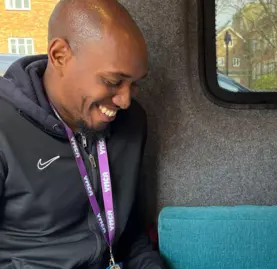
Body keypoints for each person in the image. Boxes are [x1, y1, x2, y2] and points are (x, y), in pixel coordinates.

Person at [0, 0, 166, 268]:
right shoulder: (5, 127)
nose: (125, 100)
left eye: (134, 84)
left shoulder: (132, 121)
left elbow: (129, 233)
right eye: (113, 82)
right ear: (60, 56)